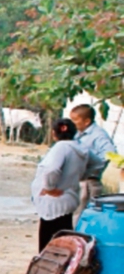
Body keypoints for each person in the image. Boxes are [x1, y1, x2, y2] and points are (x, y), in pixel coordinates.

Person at [31, 118, 88, 251]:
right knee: (64, 242)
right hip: (68, 199)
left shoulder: (61, 147)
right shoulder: (80, 148)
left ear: (54, 133)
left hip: (54, 204)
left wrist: (49, 188)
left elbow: (51, 170)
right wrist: (79, 176)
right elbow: (97, 163)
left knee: (48, 245)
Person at [70, 103, 114, 222]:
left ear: (87, 121)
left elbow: (109, 153)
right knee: (74, 214)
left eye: (75, 120)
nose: (72, 123)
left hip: (89, 182)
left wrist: (92, 168)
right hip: (78, 180)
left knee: (81, 216)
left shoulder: (98, 135)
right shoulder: (78, 133)